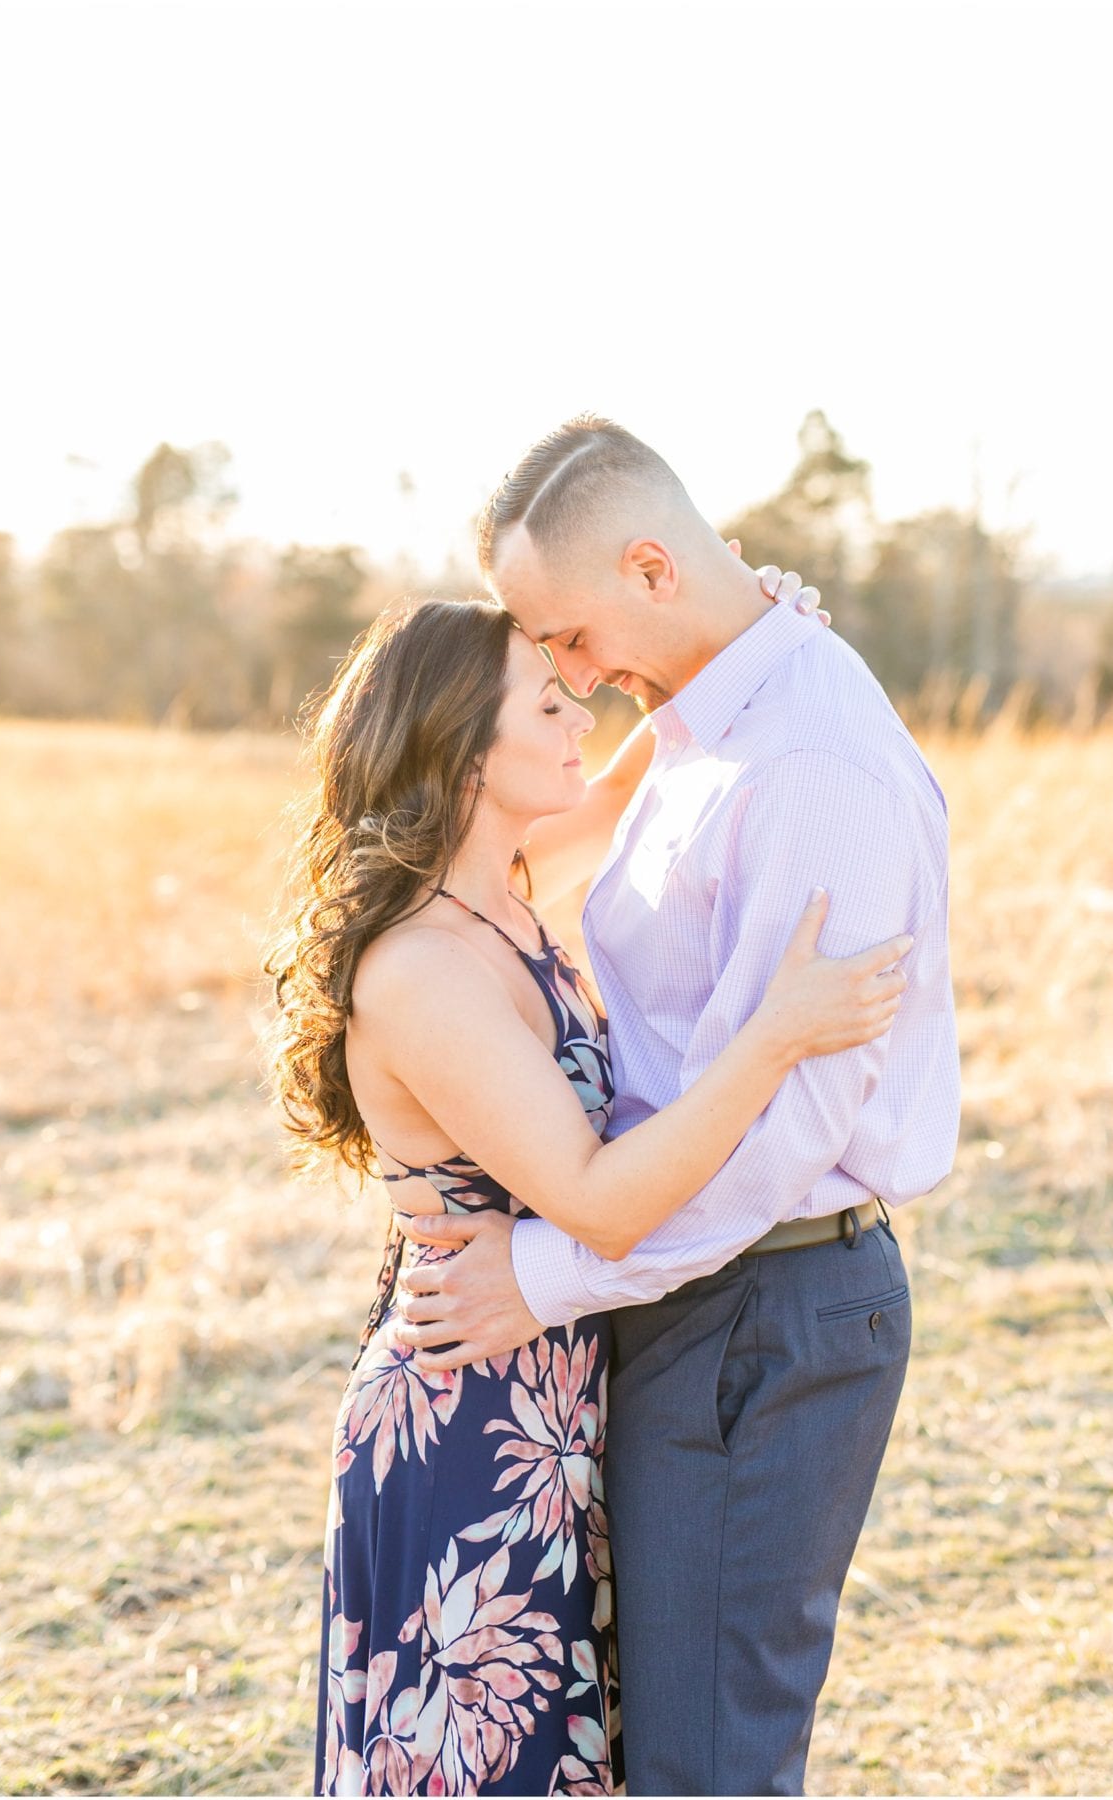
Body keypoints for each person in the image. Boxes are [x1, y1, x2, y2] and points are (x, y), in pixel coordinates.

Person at [391, 416, 961, 1797]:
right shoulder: (709, 722)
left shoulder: (803, 768)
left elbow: (778, 1139)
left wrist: (543, 1272)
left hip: (755, 1309)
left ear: (649, 566)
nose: (565, 679)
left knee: (708, 1765)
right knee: (654, 1746)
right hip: (677, 1294)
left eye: (568, 640)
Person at [266, 585, 913, 1797]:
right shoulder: (421, 968)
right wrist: (773, 1038)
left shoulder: (501, 880)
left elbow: (657, 751)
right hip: (466, 1419)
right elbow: (601, 1202)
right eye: (550, 701)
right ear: (462, 748)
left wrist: (754, 627)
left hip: (548, 1395)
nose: (582, 715)